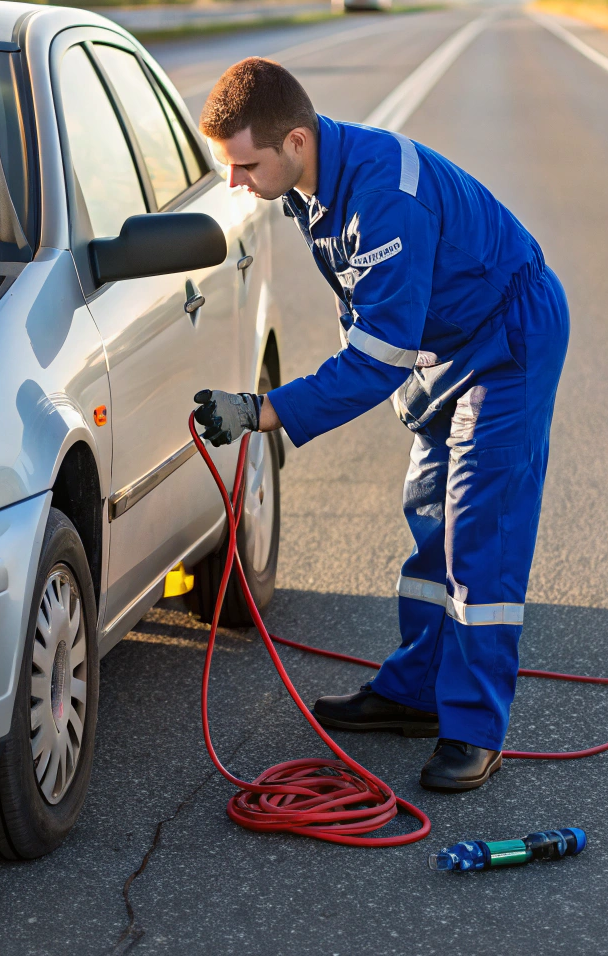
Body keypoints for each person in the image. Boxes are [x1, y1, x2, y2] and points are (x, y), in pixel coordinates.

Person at [193, 57, 569, 792]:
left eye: (244, 166)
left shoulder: (380, 198)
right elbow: (364, 304)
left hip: (505, 339)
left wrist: (262, 412)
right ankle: (414, 694)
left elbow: (376, 355)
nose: (235, 183)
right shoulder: (310, 185)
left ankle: (474, 728)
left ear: (295, 141)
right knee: (429, 513)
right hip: (444, 341)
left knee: (477, 534)